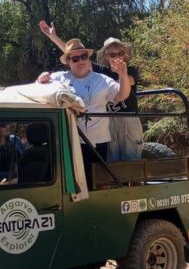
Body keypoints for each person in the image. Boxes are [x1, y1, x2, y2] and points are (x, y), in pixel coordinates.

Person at [39, 22, 144, 161]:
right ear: (106, 56)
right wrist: (54, 38)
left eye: (120, 53)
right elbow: (75, 56)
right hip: (109, 119)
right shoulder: (102, 72)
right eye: (112, 54)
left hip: (128, 117)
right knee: (112, 159)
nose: (116, 56)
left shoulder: (130, 70)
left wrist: (122, 73)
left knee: (131, 156)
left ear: (125, 55)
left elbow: (127, 86)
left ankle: (134, 182)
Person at [36, 38, 131, 185]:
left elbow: (122, 95)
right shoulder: (59, 78)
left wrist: (123, 75)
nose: (81, 61)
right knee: (74, 182)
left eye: (84, 57)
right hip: (71, 140)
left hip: (98, 141)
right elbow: (39, 87)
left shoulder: (103, 80)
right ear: (68, 62)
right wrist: (41, 77)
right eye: (75, 58)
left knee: (96, 182)